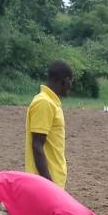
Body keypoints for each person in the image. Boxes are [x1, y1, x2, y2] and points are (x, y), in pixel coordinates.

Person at [25, 60, 73, 188]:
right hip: (45, 184)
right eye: (71, 81)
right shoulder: (44, 103)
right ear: (65, 80)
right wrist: (49, 185)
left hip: (52, 181)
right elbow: (37, 145)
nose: (71, 85)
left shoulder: (51, 102)